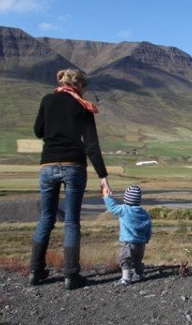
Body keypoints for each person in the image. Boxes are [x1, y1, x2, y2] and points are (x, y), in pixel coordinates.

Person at [30, 69, 112, 290]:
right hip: (74, 166)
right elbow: (92, 145)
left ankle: (35, 272)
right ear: (80, 86)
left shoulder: (48, 100)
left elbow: (38, 131)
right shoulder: (82, 106)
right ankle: (71, 275)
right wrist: (103, 176)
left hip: (47, 166)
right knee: (72, 222)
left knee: (46, 218)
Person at [102, 185, 152, 286]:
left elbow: (112, 208)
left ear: (125, 198)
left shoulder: (124, 210)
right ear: (139, 200)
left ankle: (126, 279)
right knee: (138, 260)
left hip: (127, 242)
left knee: (125, 260)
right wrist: (146, 238)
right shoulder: (144, 213)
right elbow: (148, 227)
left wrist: (107, 196)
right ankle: (140, 275)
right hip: (141, 243)